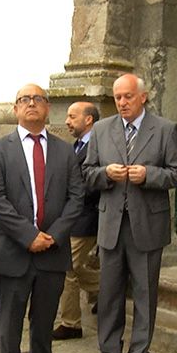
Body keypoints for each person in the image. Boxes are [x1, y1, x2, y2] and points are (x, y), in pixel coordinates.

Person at [0, 84, 84, 353]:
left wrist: (53, 235)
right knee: (9, 322)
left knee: (45, 317)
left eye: (37, 99)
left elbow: (77, 197)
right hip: (11, 251)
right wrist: (28, 235)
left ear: (47, 107)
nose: (31, 104)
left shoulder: (65, 151)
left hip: (52, 250)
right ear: (15, 109)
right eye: (24, 100)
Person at [83, 73, 177, 353]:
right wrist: (105, 174)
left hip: (147, 225)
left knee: (145, 293)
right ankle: (109, 351)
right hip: (111, 223)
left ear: (143, 96)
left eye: (127, 97)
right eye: (117, 98)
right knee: (109, 291)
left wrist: (149, 175)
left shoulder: (165, 130)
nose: (122, 103)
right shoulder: (100, 129)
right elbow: (87, 173)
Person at [53, 101, 101, 340]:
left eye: (72, 116)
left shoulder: (98, 145)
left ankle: (71, 323)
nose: (67, 121)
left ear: (88, 119)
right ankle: (108, 287)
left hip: (86, 218)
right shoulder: (78, 145)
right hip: (71, 217)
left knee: (67, 268)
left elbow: (91, 185)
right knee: (74, 267)